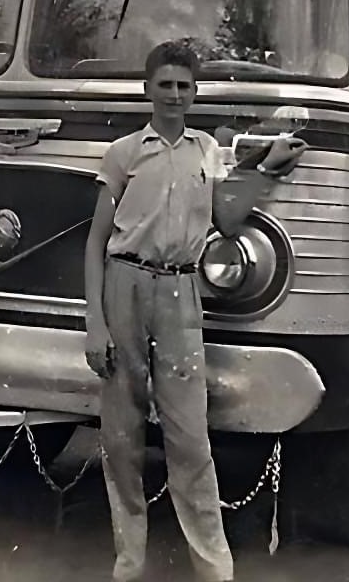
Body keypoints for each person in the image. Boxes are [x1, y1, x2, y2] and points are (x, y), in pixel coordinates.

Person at [83, 39, 307, 582]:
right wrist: (96, 323)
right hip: (124, 286)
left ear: (194, 92)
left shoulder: (208, 151)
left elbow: (227, 218)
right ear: (148, 90)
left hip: (181, 294)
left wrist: (267, 170)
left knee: (190, 436)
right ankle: (129, 559)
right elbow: (95, 243)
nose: (175, 95)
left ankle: (213, 565)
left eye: (184, 86)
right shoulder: (123, 154)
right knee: (121, 434)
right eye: (165, 85)